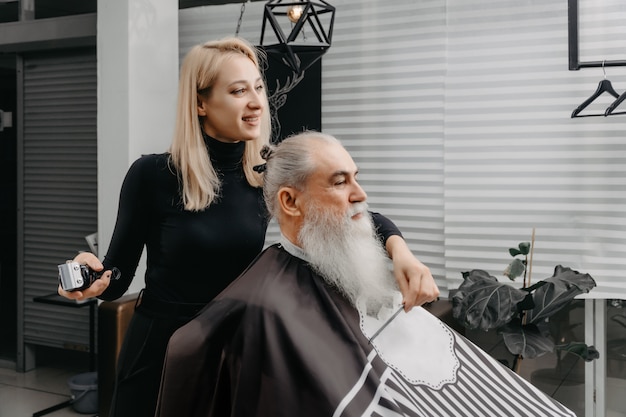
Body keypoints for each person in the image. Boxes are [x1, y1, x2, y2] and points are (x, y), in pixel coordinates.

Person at [56, 38, 439, 417]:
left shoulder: (265, 175)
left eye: (258, 87)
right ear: (200, 103)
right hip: (162, 349)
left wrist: (400, 253)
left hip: (230, 343)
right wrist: (97, 280)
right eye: (239, 90)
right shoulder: (153, 175)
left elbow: (353, 211)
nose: (257, 102)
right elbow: (117, 277)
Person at [156, 131, 576, 417]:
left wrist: (401, 250)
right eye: (341, 183)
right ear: (290, 200)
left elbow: (371, 218)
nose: (361, 194)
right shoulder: (267, 302)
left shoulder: (337, 247)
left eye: (357, 178)